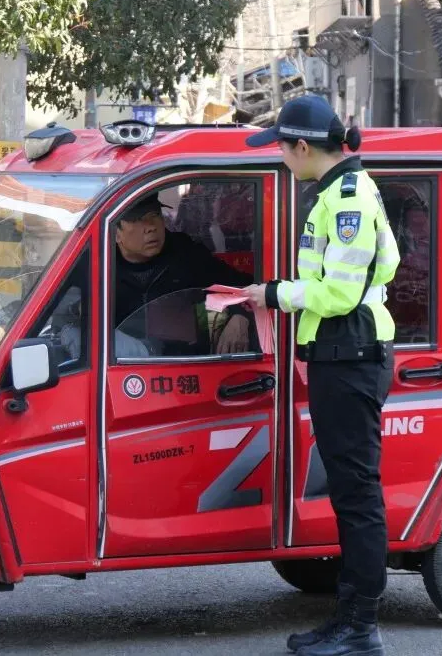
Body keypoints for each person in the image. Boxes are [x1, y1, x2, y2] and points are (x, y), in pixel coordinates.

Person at [244, 96, 400, 656]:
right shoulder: (337, 192)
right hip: (341, 356)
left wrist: (271, 294)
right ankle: (348, 620)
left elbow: (338, 292)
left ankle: (361, 628)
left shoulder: (350, 198)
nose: (280, 158)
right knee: (349, 493)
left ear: (303, 147)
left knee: (358, 497)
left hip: (352, 356)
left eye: (282, 149)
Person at [114, 193, 254, 354]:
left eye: (155, 215)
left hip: (182, 365)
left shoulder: (185, 254)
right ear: (116, 232)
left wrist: (240, 316)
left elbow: (243, 285)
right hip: (122, 366)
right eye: (137, 220)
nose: (151, 227)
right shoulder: (100, 264)